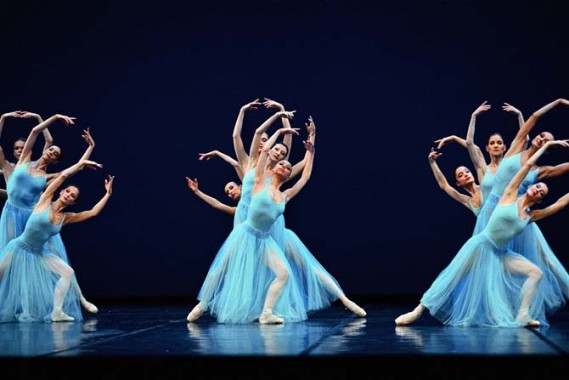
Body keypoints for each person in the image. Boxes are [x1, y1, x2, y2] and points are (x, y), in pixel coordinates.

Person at [394, 139, 569, 328]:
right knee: (452, 276)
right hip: (481, 245)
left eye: (541, 192)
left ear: (540, 199)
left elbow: (560, 203)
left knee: (536, 273)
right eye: (537, 186)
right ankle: (418, 310)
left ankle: (523, 315)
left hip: (502, 254)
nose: (537, 188)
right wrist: (545, 146)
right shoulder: (509, 195)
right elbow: (526, 165)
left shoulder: (531, 216)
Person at [187, 122, 317, 325]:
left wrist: (312, 147)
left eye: (286, 163)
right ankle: (202, 305)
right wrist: (280, 130)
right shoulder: (256, 178)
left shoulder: (284, 193)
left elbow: (305, 174)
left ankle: (266, 312)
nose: (283, 164)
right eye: (281, 162)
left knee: (280, 273)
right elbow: (261, 147)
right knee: (224, 267)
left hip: (265, 236)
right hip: (245, 230)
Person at [0, 113, 99, 314]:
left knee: (56, 256)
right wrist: (47, 117)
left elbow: (70, 172)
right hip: (11, 213)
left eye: (54, 152)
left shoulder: (47, 177)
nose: (50, 152)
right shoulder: (20, 161)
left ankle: (79, 298)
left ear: (53, 158)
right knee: (9, 259)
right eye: (50, 150)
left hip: (33, 216)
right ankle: (20, 306)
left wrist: (89, 149)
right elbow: (35, 132)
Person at [0, 157, 114, 323]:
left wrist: (108, 194)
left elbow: (92, 213)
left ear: (73, 202)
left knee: (67, 272)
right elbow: (62, 177)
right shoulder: (45, 200)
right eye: (67, 192)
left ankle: (57, 312)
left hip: (38, 254)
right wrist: (80, 164)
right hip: (19, 248)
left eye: (72, 196)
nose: (68, 195)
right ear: (61, 192)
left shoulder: (66, 218)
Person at [427, 147, 482, 216]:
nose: (465, 174)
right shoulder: (467, 201)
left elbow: (478, 157)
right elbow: (444, 185)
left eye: (467, 171)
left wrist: (454, 138)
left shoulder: (484, 187)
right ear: (458, 183)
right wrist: (432, 162)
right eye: (460, 175)